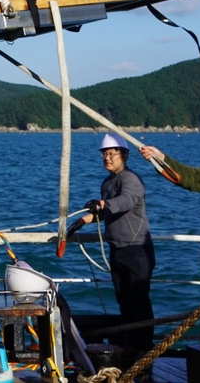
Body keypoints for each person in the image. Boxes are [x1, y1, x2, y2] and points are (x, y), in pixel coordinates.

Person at [75, 133, 155, 355]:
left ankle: (144, 349)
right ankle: (130, 347)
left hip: (136, 249)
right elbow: (106, 211)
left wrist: (103, 204)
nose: (107, 158)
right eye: (104, 154)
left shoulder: (131, 180)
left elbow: (125, 201)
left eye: (112, 153)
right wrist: (82, 221)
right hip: (117, 249)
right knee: (125, 302)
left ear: (124, 155)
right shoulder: (107, 183)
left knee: (139, 302)